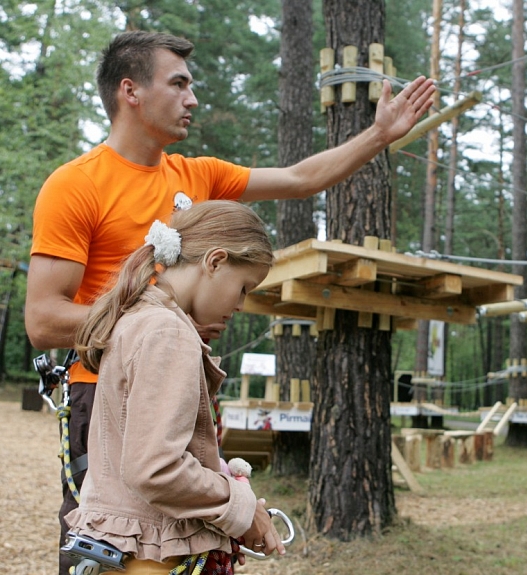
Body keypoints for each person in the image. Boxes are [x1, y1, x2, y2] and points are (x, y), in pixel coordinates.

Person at [23, 30, 435, 575]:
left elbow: (299, 178)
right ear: (131, 91)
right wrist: (156, 326)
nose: (193, 99)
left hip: (185, 390)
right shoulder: (75, 185)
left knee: (190, 547)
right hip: (106, 397)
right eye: (179, 84)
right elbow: (44, 320)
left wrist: (379, 135)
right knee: (109, 550)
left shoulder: (198, 176)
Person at [66, 200, 281, 574]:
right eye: (244, 287)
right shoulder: (168, 332)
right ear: (214, 262)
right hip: (152, 559)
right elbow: (157, 468)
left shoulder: (140, 319)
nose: (242, 305)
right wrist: (242, 509)